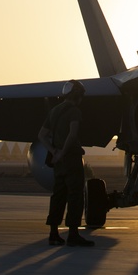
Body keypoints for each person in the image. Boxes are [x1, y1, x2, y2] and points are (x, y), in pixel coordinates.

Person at [38, 80, 94, 247]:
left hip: (59, 162)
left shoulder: (54, 111)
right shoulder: (75, 111)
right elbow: (73, 133)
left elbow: (41, 135)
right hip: (71, 158)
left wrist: (55, 152)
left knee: (58, 196)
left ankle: (54, 234)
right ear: (77, 95)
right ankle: (73, 234)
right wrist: (63, 152)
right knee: (75, 195)